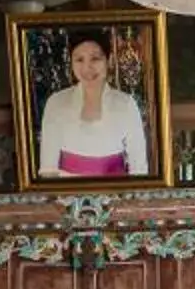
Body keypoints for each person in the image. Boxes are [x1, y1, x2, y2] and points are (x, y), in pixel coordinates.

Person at [36, 28, 151, 178]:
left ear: (108, 60)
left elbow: (139, 169)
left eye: (95, 59)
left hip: (115, 193)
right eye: (79, 60)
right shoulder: (56, 103)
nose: (87, 67)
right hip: (68, 194)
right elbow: (48, 169)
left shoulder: (126, 104)